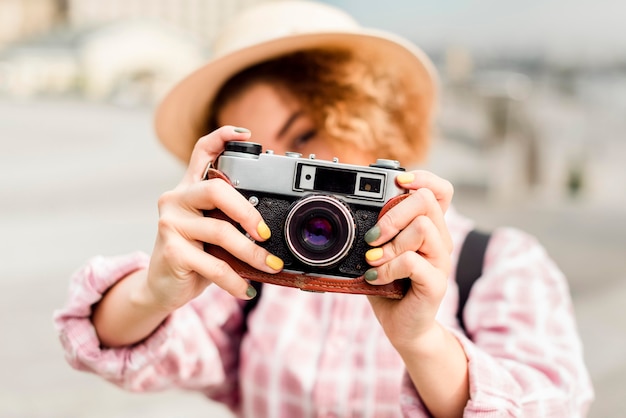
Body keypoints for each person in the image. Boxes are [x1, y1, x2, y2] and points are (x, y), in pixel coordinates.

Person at [53, 1, 594, 417]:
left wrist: (422, 340)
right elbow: (120, 343)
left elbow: (553, 403)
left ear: (371, 116)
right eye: (267, 168)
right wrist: (155, 291)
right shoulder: (250, 283)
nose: (303, 192)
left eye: (307, 137)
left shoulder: (497, 266)